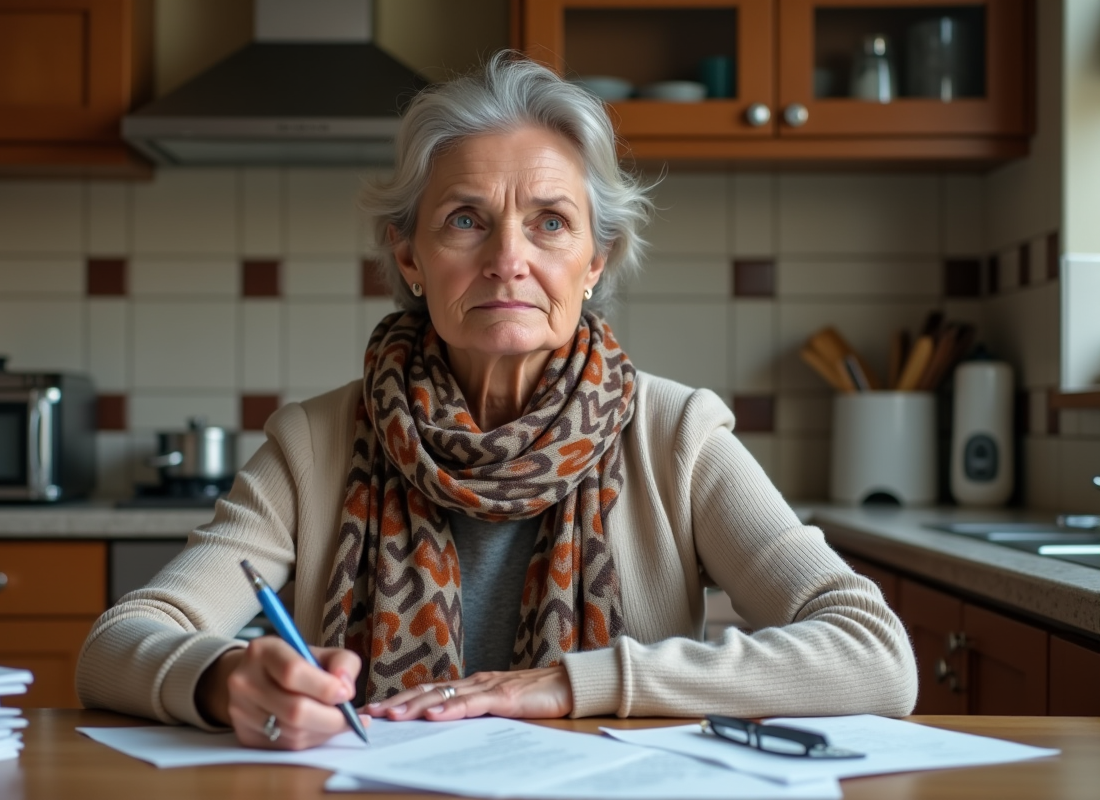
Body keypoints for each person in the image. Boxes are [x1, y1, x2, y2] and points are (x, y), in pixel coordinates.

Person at [76, 52, 917, 751]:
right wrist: (228, 679)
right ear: (409, 258)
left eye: (551, 222)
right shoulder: (315, 442)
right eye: (465, 220)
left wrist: (570, 684)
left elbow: (875, 655)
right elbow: (118, 642)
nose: (508, 259)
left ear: (595, 261)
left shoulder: (676, 435)